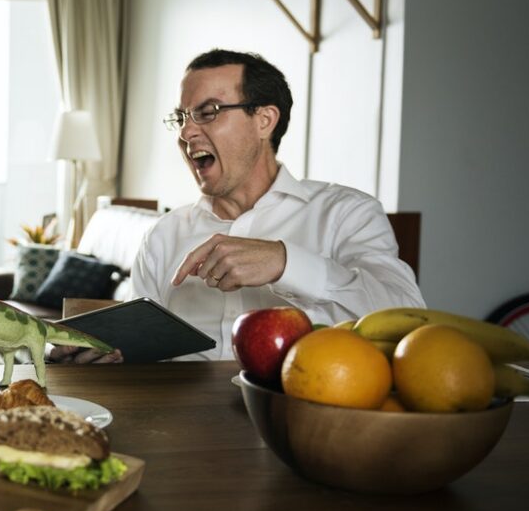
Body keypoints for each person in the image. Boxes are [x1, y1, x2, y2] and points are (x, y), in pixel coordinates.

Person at [56, 48, 424, 362]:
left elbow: (407, 317)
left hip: (297, 423)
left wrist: (285, 262)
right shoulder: (164, 235)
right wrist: (111, 355)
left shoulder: (347, 213)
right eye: (182, 117)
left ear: (264, 120)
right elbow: (137, 348)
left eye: (208, 111)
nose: (185, 132)